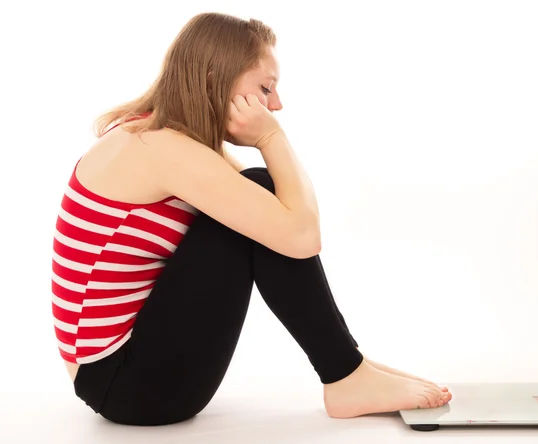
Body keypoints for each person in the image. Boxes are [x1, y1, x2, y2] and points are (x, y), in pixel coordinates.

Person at [50, 12, 452, 426]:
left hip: (119, 376)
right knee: (261, 191)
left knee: (259, 198)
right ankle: (345, 374)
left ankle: (349, 366)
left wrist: (270, 142)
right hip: (128, 387)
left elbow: (285, 218)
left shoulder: (158, 138)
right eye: (265, 87)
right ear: (214, 78)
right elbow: (302, 234)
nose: (275, 105)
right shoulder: (161, 150)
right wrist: (270, 137)